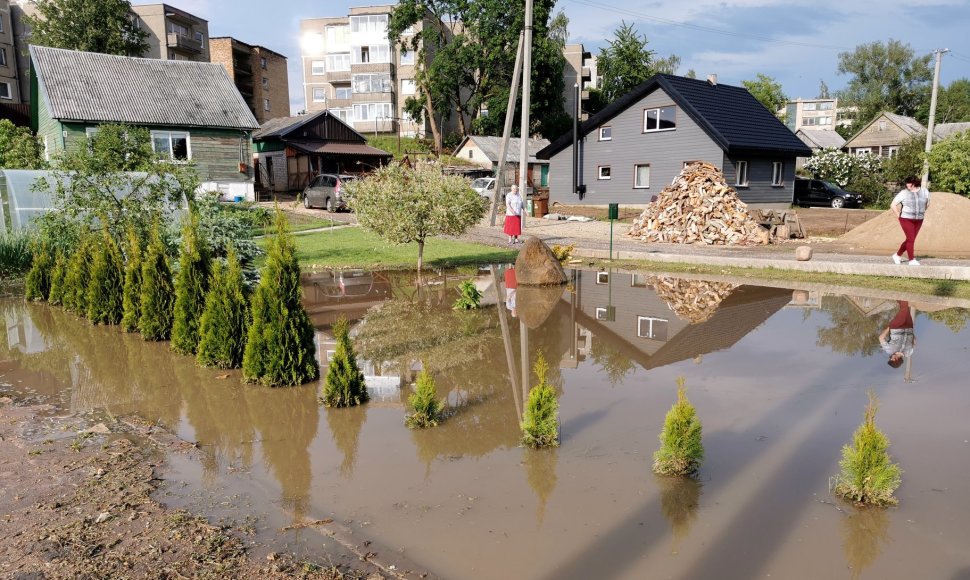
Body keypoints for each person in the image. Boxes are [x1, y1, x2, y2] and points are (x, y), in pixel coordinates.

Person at [890, 175, 930, 266]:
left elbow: (927, 203)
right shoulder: (903, 193)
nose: (907, 185)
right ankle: (911, 260)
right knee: (911, 239)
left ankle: (897, 255)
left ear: (915, 183)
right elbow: (893, 205)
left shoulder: (925, 191)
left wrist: (921, 211)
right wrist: (899, 215)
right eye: (907, 183)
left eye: (909, 183)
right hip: (906, 219)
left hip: (919, 219)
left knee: (910, 239)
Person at [879, 300, 915, 369]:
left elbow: (881, 338)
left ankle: (904, 293)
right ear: (897, 360)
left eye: (890, 359)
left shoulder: (889, 350)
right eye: (892, 359)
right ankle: (899, 299)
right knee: (906, 310)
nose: (891, 357)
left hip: (896, 327)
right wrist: (912, 334)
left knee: (904, 309)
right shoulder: (908, 353)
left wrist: (889, 327)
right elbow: (913, 343)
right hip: (909, 328)